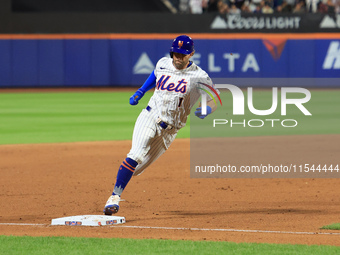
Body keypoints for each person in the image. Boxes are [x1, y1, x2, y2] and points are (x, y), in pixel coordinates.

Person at [103, 35, 218, 215]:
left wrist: (207, 110)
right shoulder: (163, 63)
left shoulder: (199, 76)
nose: (178, 58)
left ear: (191, 54)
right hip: (150, 116)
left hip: (170, 131)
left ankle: (121, 178)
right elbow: (155, 75)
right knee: (136, 154)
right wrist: (141, 91)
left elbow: (214, 99)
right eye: (175, 53)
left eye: (182, 54)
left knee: (136, 169)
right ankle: (114, 198)